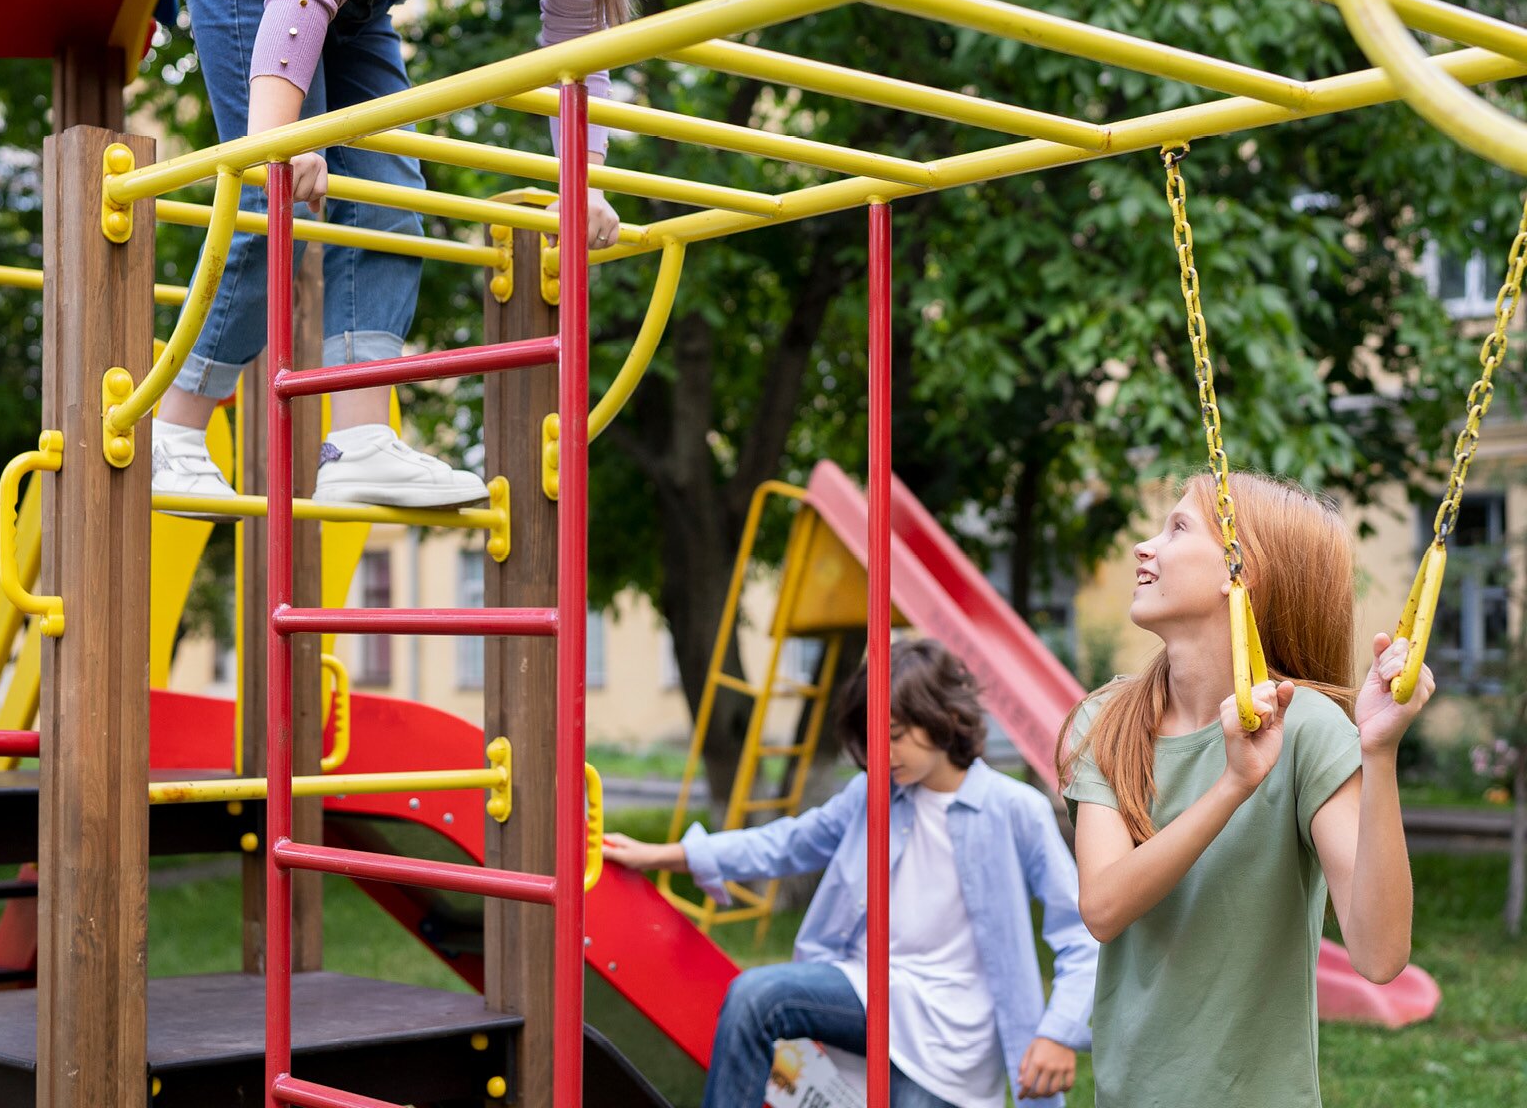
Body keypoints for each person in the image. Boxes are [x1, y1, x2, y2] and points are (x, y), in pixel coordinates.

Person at [151, 0, 697, 515]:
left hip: (361, 1)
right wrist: (278, 136)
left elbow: (578, 58)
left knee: (391, 196)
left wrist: (589, 183)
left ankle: (360, 440)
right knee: (277, 202)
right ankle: (175, 432)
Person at [1059, 472, 1435, 1108]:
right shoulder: (1108, 721)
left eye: (1177, 528)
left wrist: (1379, 752)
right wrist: (1234, 783)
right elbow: (1103, 906)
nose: (1143, 547)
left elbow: (1378, 955)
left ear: (1242, 569)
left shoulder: (1307, 728)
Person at [605, 638, 1098, 1106]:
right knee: (756, 998)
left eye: (896, 737)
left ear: (946, 718)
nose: (882, 755)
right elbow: (786, 844)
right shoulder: (873, 796)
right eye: (873, 741)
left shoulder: (1014, 810)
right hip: (869, 994)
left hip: (952, 1038)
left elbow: (1080, 932)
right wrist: (663, 855)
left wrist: (1058, 1033)